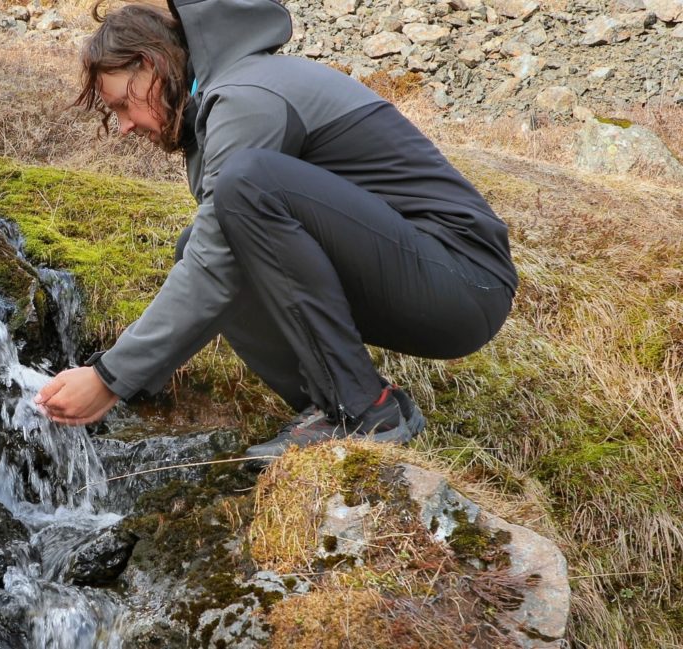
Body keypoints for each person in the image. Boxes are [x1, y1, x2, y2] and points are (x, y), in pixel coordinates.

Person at [34, 0, 517, 461]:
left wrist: (110, 376)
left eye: (122, 105)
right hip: (421, 276)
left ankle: (365, 408)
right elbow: (222, 255)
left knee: (246, 188)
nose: (122, 127)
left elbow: (215, 259)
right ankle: (331, 408)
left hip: (462, 279)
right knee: (210, 237)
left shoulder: (247, 97)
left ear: (152, 65)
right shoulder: (223, 102)